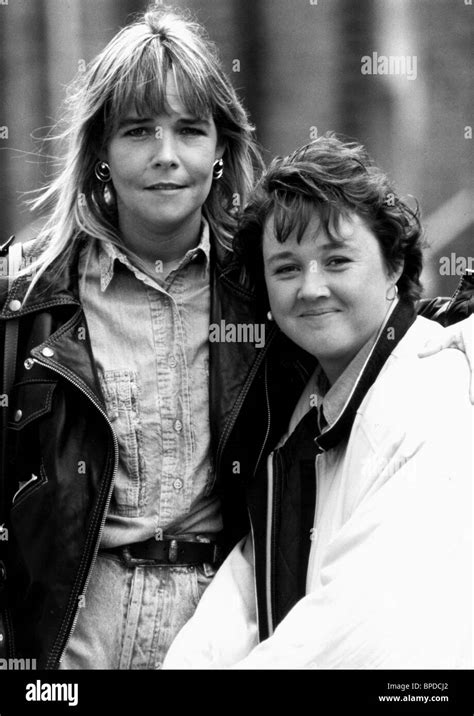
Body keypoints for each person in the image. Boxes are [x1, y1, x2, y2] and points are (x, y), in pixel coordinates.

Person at [0, 5, 471, 670]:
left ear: (220, 151)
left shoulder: (266, 287)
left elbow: (363, 336)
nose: (167, 156)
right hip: (73, 639)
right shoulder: (28, 302)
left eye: (190, 131)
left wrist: (450, 332)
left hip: (226, 627)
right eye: (138, 131)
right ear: (100, 153)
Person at [162, 135, 473, 669]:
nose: (310, 288)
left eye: (336, 260)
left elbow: (364, 628)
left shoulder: (432, 396)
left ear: (395, 267)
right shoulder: (303, 418)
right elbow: (246, 590)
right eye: (285, 268)